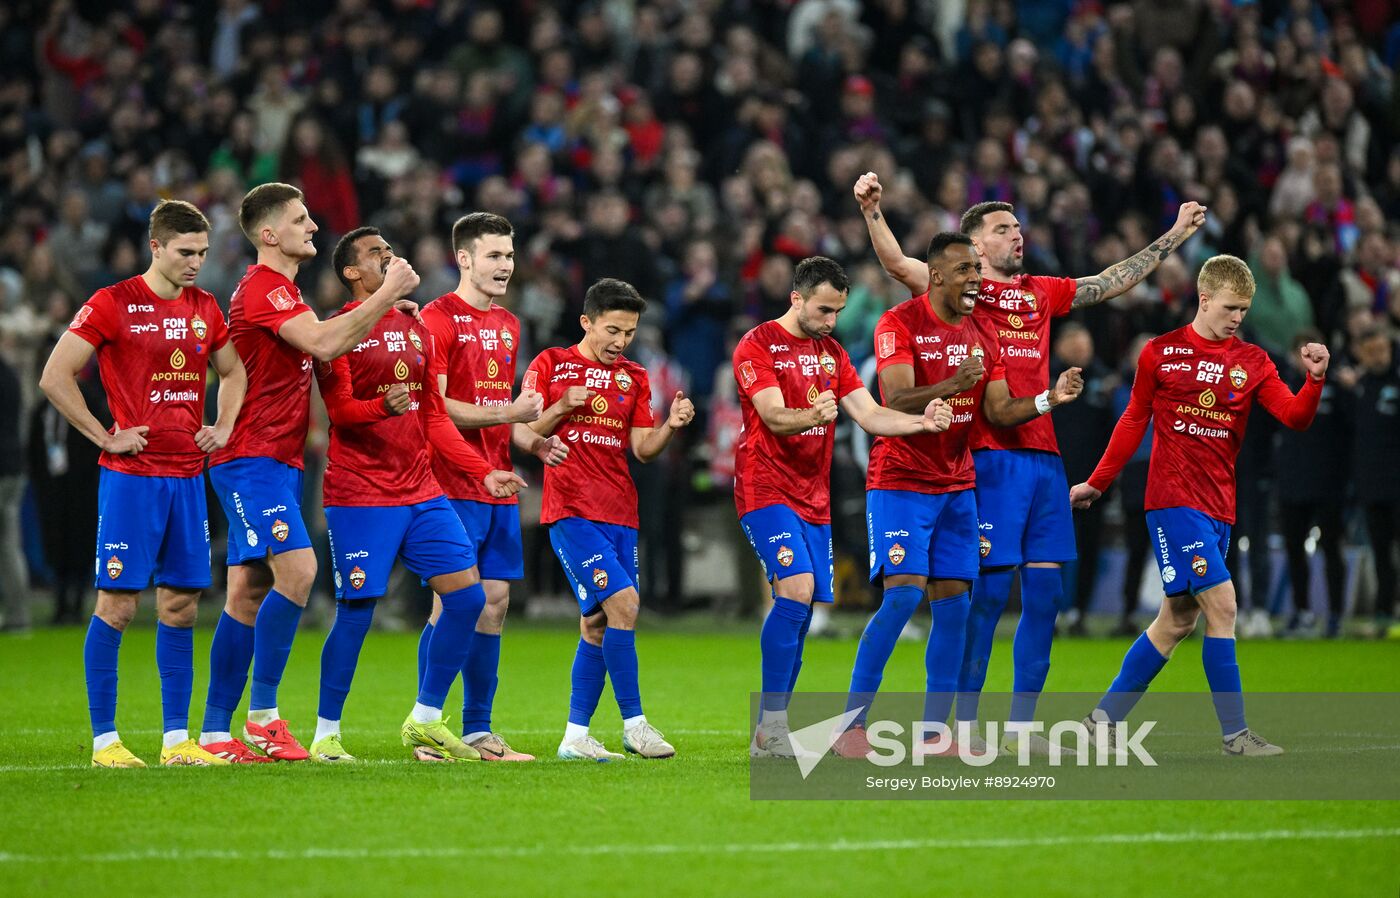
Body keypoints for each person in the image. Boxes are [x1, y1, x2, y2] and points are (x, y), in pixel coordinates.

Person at [855, 172, 1204, 752]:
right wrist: (872, 212)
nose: (1017, 235)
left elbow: (1106, 283)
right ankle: (956, 727)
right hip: (991, 455)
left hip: (1044, 457)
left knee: (1045, 598)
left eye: (1018, 227)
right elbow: (900, 266)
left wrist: (1172, 235)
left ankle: (1020, 728)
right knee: (986, 597)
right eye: (1002, 229)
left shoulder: (1040, 291)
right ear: (975, 244)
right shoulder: (966, 292)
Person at [834, 233, 1084, 758]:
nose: (976, 278)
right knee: (903, 595)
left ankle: (933, 735)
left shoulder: (982, 334)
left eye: (978, 268)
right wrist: (948, 386)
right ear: (938, 276)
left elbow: (997, 411)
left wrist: (1046, 399)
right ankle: (850, 727)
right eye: (966, 270)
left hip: (957, 484)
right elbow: (895, 397)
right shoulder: (898, 323)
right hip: (901, 479)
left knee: (954, 609)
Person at [1071, 254, 1330, 755]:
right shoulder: (1161, 354)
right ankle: (1235, 734)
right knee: (1224, 606)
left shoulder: (1253, 362)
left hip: (1219, 507)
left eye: (1245, 310)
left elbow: (1295, 418)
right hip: (1171, 499)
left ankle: (1100, 723)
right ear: (1204, 298)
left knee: (1176, 622)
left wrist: (1314, 381)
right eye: (1231, 307)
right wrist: (1098, 482)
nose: (1238, 318)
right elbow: (1132, 422)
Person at [201, 183, 421, 763]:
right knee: (299, 570)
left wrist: (388, 313)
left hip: (277, 459)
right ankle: (265, 717)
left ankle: (214, 733)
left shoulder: (286, 295)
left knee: (247, 593)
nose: (312, 228)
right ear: (269, 234)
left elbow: (329, 337)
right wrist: (387, 294)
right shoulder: (264, 289)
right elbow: (325, 344)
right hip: (249, 458)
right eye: (300, 220)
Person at [39, 199, 248, 767]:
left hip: (186, 476)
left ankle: (176, 742)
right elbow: (55, 375)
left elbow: (234, 372)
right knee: (118, 606)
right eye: (185, 252)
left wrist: (222, 426)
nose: (195, 263)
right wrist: (103, 435)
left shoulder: (205, 306)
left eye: (203, 253)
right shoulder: (113, 302)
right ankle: (106, 741)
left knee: (180, 607)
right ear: (155, 247)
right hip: (132, 479)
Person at [309, 227, 525, 763]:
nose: (389, 257)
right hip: (361, 492)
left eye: (390, 249)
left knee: (470, 597)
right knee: (356, 610)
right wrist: (383, 406)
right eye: (375, 255)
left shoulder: (414, 327)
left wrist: (481, 470)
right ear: (351, 274)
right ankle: (325, 732)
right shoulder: (334, 331)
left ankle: (425, 720)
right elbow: (339, 414)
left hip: (422, 490)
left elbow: (434, 417)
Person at [734, 256, 954, 758]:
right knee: (796, 590)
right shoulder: (757, 344)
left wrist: (924, 422)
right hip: (764, 486)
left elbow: (872, 415)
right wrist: (813, 412)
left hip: (814, 495)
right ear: (797, 298)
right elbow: (771, 416)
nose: (832, 322)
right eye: (824, 310)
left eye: (838, 311)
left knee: (804, 603)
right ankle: (769, 727)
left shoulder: (832, 353)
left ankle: (775, 727)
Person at [523, 278, 695, 761]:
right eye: (612, 330)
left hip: (621, 512)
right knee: (625, 604)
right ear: (587, 323)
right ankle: (635, 724)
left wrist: (670, 427)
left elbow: (641, 448)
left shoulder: (635, 377)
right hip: (572, 512)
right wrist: (559, 407)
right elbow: (520, 429)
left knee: (597, 624)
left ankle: (575, 737)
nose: (621, 342)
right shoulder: (551, 365)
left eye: (630, 332)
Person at [418, 212, 568, 761]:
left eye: (509, 255)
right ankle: (428, 724)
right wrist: (508, 411)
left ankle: (479, 730)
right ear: (464, 259)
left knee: (497, 602)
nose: (506, 265)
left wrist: (530, 441)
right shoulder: (437, 320)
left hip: (498, 476)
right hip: (450, 478)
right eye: (494, 256)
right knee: (455, 600)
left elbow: (498, 408)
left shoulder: (507, 323)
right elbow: (435, 408)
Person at [1275, 328, 1349, 638]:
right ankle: (1302, 612)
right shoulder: (1280, 387)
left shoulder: (1338, 388)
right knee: (1294, 550)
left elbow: (1350, 435)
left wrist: (1347, 478)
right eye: (1301, 353)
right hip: (1292, 483)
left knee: (1331, 548)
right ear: (1294, 356)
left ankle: (1334, 615)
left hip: (1329, 484)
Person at [1348, 325, 1400, 638]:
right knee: (1381, 551)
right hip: (1372, 485)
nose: (1377, 356)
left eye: (1381, 349)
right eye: (1370, 351)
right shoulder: (1360, 388)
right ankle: (1383, 613)